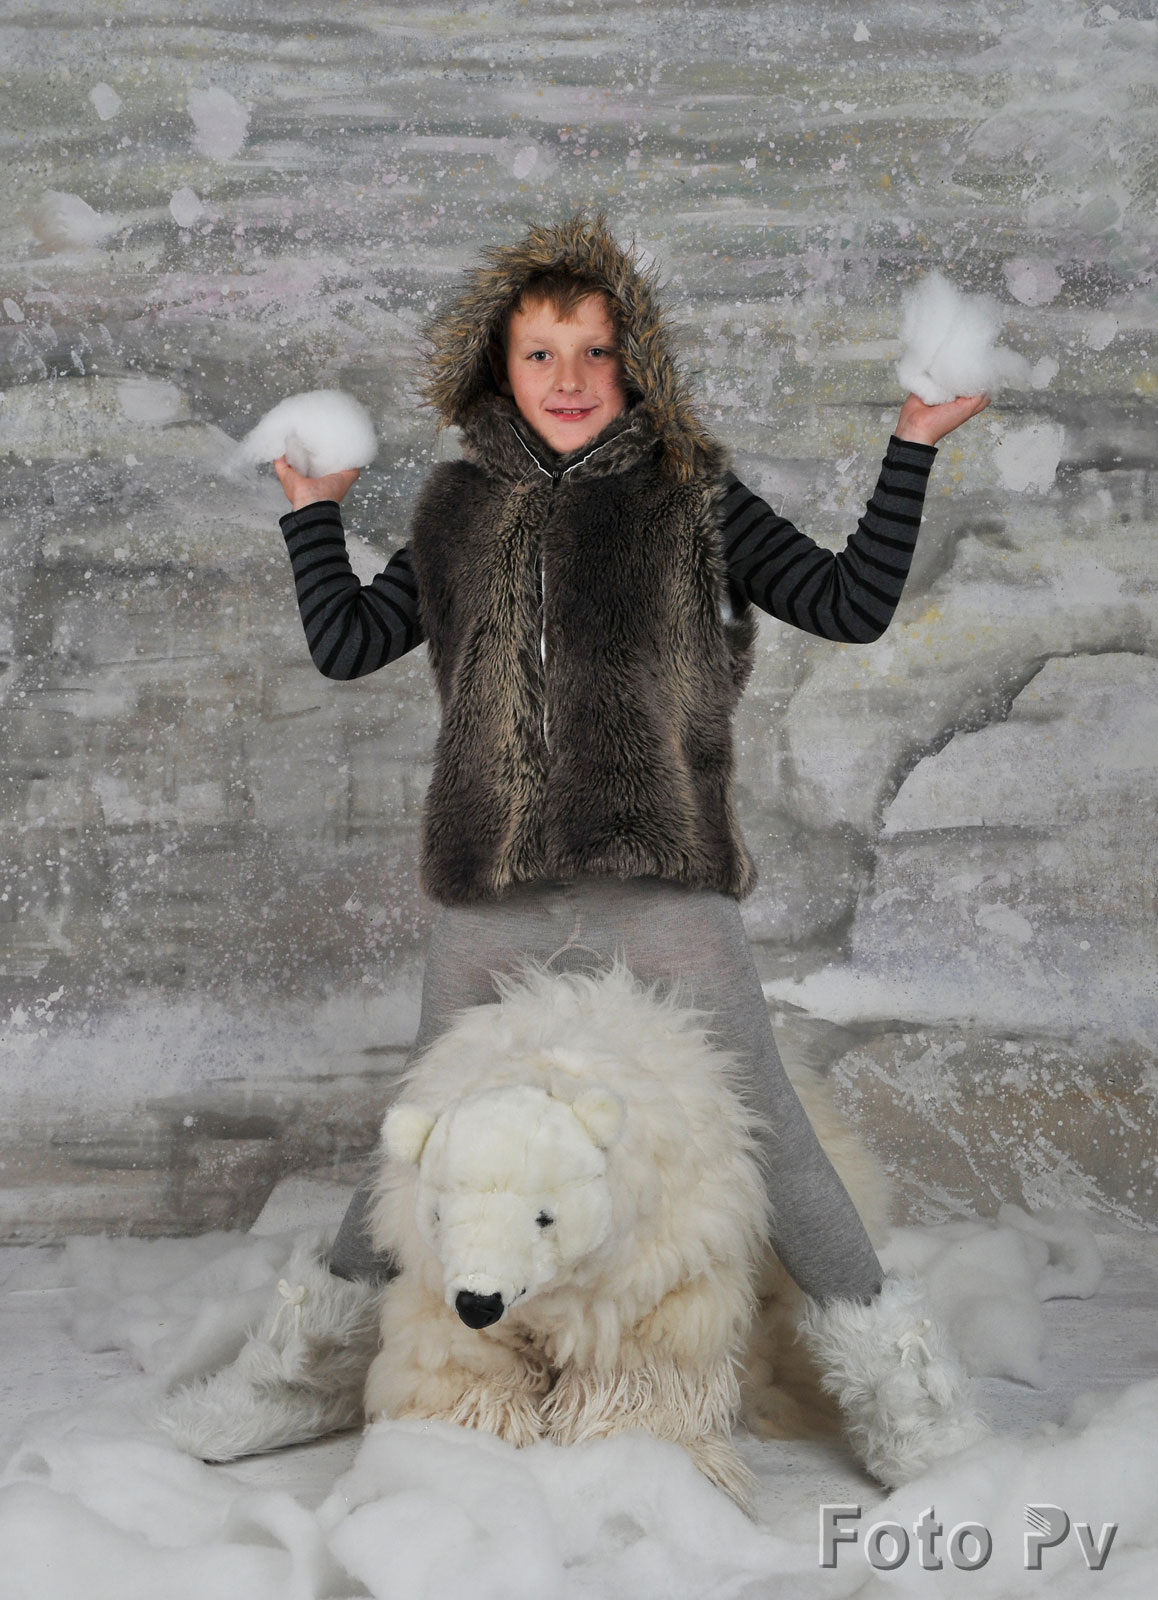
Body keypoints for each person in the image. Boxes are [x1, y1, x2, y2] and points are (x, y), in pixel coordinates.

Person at [160, 215, 990, 1484]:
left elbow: (850, 600)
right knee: (421, 1129)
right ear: (498, 367)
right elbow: (348, 641)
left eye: (595, 351)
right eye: (541, 352)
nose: (568, 376)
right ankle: (304, 1370)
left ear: (632, 363)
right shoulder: (455, 508)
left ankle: (904, 1395)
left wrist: (913, 444)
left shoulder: (695, 497)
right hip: (492, 888)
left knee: (770, 1123)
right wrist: (314, 517)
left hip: (657, 881)